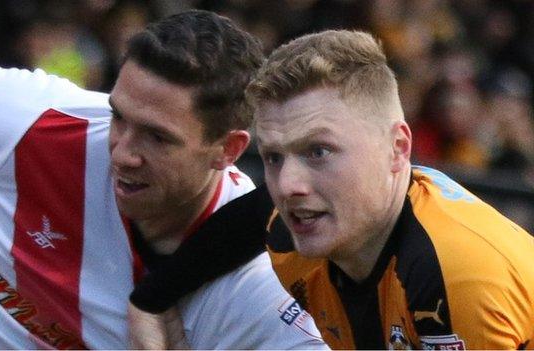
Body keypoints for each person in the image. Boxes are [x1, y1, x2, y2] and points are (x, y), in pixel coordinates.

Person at [0, 10, 326, 349]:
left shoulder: (258, 284)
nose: (123, 153)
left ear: (228, 150)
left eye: (158, 137)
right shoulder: (39, 118)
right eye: (118, 117)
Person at [128, 29, 534, 350]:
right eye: (273, 156)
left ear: (397, 150)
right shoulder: (304, 222)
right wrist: (149, 301)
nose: (287, 186)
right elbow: (252, 218)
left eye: (319, 151)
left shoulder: (456, 278)